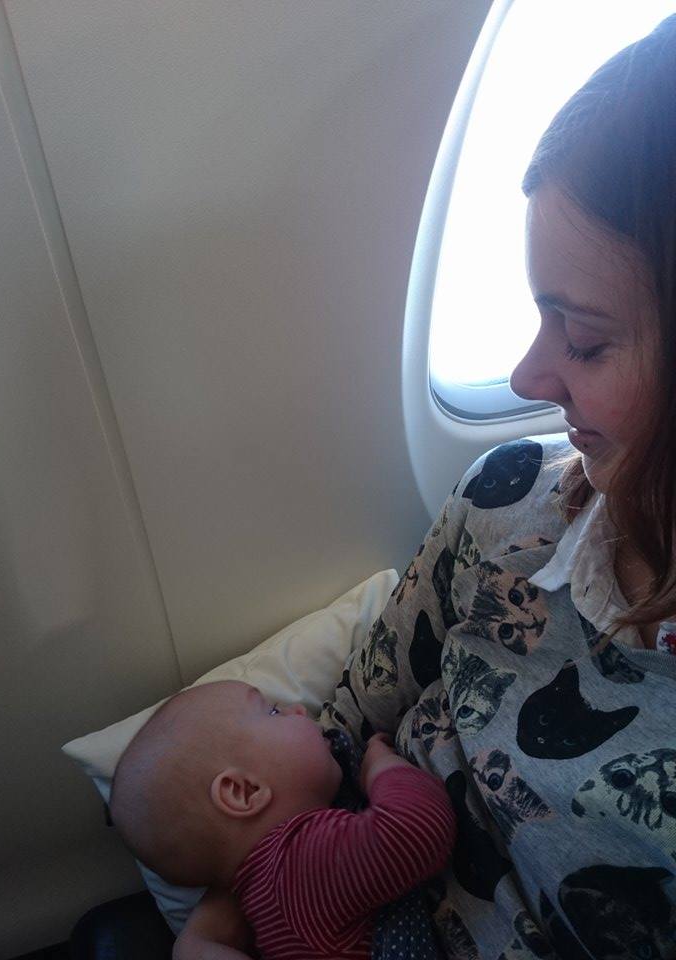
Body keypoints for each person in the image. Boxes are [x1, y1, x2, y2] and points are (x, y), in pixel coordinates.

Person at [180, 14, 676, 958]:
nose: (527, 378)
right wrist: (221, 920)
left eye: (586, 340)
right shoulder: (506, 497)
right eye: (541, 318)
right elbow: (335, 735)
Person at [109, 679, 456, 960]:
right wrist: (381, 766)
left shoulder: (262, 898)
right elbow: (418, 830)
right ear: (243, 792)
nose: (299, 710)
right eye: (274, 712)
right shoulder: (297, 865)